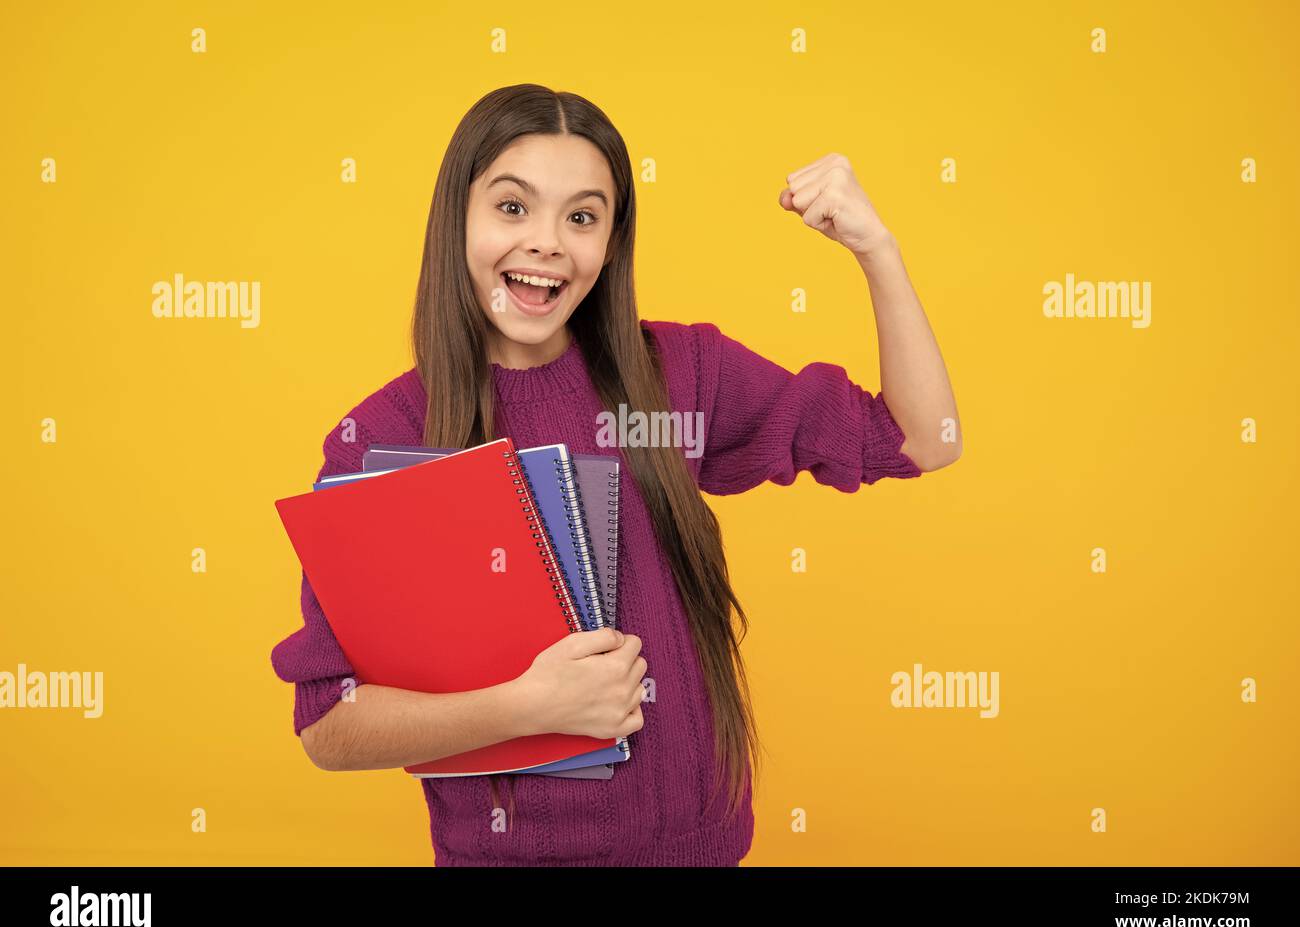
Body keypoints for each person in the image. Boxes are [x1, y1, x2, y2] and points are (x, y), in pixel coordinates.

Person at [270, 83, 961, 866]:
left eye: (583, 216)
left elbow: (920, 439)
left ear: (611, 241)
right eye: (511, 207)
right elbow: (331, 726)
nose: (547, 243)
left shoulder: (678, 378)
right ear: (456, 217)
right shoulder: (381, 439)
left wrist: (878, 249)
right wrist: (528, 707)